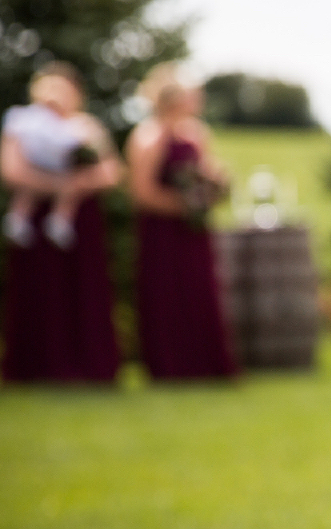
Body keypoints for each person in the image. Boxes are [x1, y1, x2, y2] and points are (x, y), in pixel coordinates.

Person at [1, 63, 123, 383]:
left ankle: (91, 365)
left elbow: (112, 171)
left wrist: (78, 184)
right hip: (36, 222)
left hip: (80, 221)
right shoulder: (25, 126)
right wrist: (59, 185)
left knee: (83, 287)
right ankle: (36, 366)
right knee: (40, 288)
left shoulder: (86, 127)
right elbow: (12, 171)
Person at [125, 65, 239, 380]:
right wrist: (183, 205)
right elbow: (140, 191)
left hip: (193, 231)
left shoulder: (197, 132)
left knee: (198, 291)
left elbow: (206, 171)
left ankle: (205, 363)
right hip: (161, 231)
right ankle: (168, 365)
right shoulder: (148, 136)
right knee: (165, 294)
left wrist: (215, 185)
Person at [3, 78, 103, 249]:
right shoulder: (27, 122)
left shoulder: (80, 125)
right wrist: (61, 185)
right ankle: (18, 219)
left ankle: (59, 221)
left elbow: (107, 171)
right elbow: (11, 172)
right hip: (41, 197)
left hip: (80, 217)